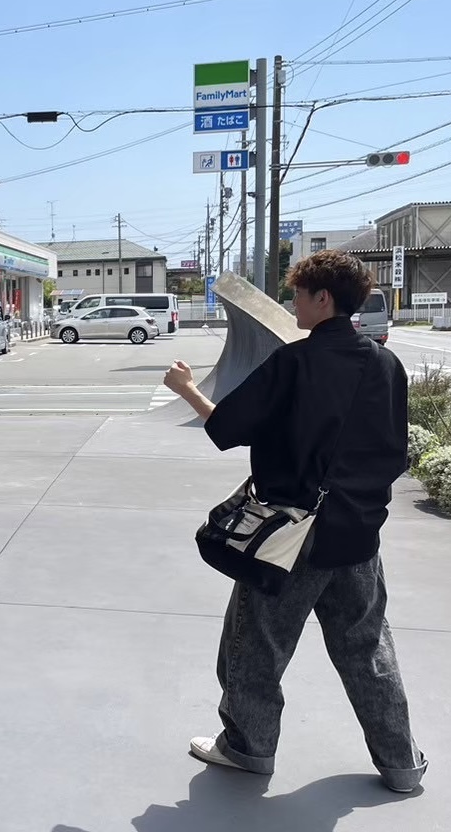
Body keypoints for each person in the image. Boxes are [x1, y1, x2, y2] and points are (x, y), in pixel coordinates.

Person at [162, 250, 427, 794]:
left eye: (300, 294)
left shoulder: (297, 362)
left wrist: (186, 389)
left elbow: (229, 427)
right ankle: (401, 762)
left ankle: (247, 747)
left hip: (290, 536)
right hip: (357, 535)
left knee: (254, 643)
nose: (294, 304)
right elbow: (396, 454)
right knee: (367, 649)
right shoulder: (386, 364)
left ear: (323, 298)